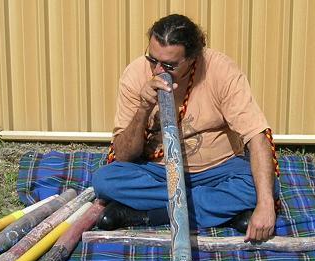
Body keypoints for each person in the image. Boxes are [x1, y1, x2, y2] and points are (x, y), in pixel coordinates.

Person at [92, 14, 279, 242]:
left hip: (217, 171)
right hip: (158, 172)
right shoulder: (135, 74)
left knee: (264, 188)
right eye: (153, 60)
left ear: (192, 58)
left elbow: (257, 136)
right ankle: (222, 213)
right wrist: (143, 108)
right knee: (105, 180)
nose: (158, 70)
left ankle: (148, 215)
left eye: (169, 65)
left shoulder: (221, 70)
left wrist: (266, 205)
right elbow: (123, 155)